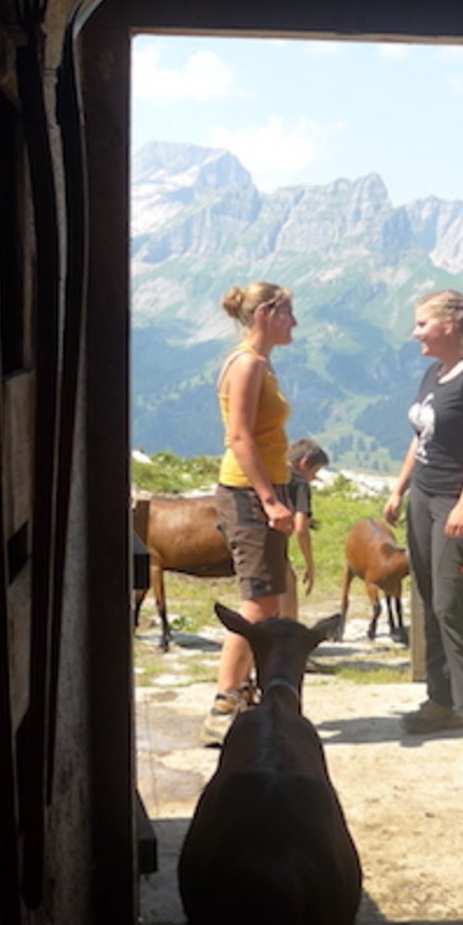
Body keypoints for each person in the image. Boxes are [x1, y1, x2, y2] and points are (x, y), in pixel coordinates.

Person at [384, 290, 463, 756]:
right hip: (425, 495)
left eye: (422, 324)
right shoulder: (434, 372)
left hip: (460, 499)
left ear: (449, 326)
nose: (415, 333)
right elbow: (422, 436)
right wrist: (400, 488)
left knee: (452, 600)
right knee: (430, 596)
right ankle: (440, 700)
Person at [201, 282, 300, 745]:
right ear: (265, 313)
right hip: (247, 491)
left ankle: (246, 695)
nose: (294, 323)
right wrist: (270, 499)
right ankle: (224, 703)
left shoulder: (260, 363)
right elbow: (239, 438)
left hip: (263, 486)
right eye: (287, 314)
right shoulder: (247, 364)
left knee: (270, 598)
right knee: (259, 602)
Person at [282, 437, 330, 621]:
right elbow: (301, 527)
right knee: (288, 582)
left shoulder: (275, 471)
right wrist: (310, 564)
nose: (315, 477)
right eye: (315, 471)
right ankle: (288, 634)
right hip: (273, 540)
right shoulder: (300, 483)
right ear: (304, 464)